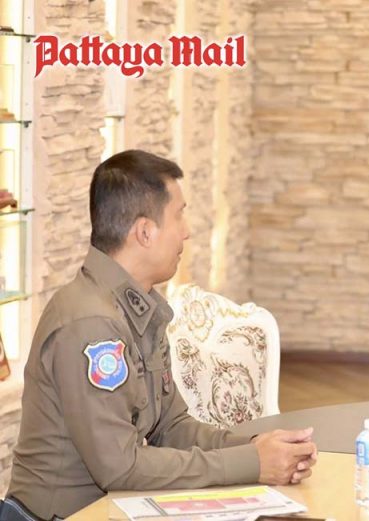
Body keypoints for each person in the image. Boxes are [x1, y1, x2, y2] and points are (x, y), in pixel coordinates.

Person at [4, 150, 317, 520]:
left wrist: (255, 447)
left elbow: (172, 427)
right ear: (145, 232)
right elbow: (120, 468)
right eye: (179, 215)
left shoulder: (138, 308)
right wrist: (252, 463)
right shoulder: (91, 324)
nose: (186, 231)